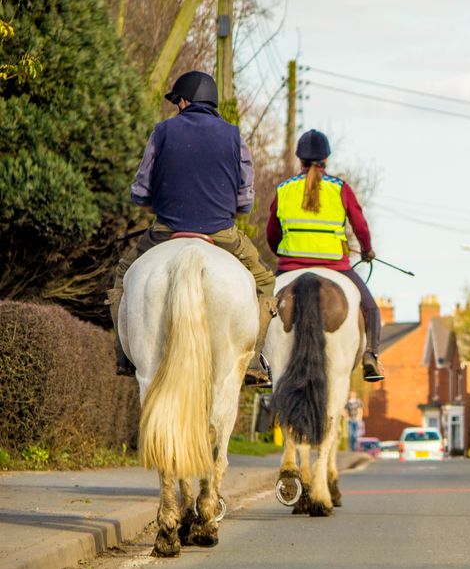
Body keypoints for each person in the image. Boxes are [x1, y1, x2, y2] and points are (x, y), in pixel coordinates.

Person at [108, 70, 276, 383]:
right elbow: (245, 202)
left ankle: (125, 355)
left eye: (177, 102)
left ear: (184, 101)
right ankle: (254, 362)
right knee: (265, 282)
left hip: (166, 230)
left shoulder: (162, 131)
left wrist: (158, 205)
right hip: (222, 233)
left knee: (123, 274)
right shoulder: (234, 135)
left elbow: (140, 191)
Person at [266, 129, 384, 381]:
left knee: (260, 306)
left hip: (289, 267)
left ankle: (259, 360)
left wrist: (284, 251)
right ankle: (371, 358)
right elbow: (360, 225)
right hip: (336, 267)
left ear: (300, 159)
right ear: (326, 160)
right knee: (371, 308)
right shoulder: (339, 188)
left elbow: (272, 234)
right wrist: (366, 249)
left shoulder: (284, 189)